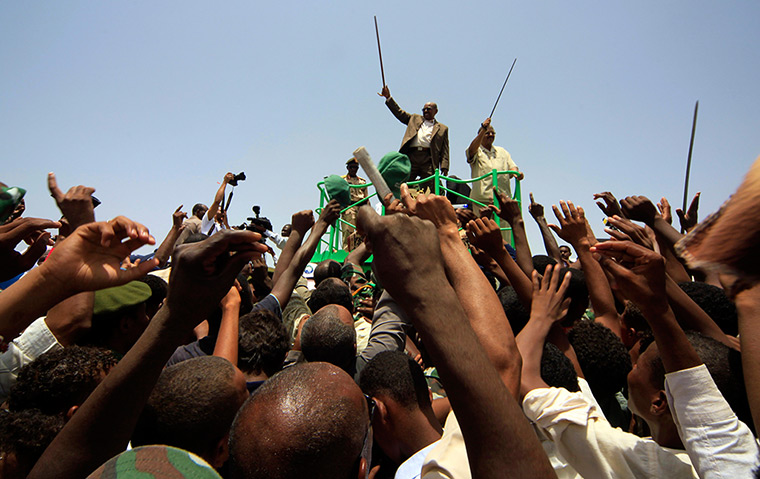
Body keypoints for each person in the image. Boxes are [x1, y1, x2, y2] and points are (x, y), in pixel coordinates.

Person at [379, 85, 449, 187]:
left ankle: (428, 202)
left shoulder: (443, 128)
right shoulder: (414, 119)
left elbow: (445, 149)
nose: (425, 111)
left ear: (435, 111)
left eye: (428, 109)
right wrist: (388, 98)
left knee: (430, 184)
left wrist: (444, 166)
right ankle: (402, 201)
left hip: (428, 158)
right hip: (412, 155)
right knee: (405, 182)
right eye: (423, 109)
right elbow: (399, 113)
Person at [466, 117, 523, 215]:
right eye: (487, 133)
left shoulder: (502, 151)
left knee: (505, 229)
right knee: (485, 228)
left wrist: (517, 173)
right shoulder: (476, 151)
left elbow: (512, 166)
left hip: (503, 201)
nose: (491, 135)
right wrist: (483, 128)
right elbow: (471, 151)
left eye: (493, 133)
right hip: (482, 203)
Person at [341, 157, 368, 251]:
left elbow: (366, 197)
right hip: (349, 207)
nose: (354, 169)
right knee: (348, 231)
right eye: (352, 167)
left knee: (362, 232)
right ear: (347, 168)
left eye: (356, 167)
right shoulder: (343, 181)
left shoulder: (362, 182)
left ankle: (360, 252)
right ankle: (346, 252)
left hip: (361, 208)